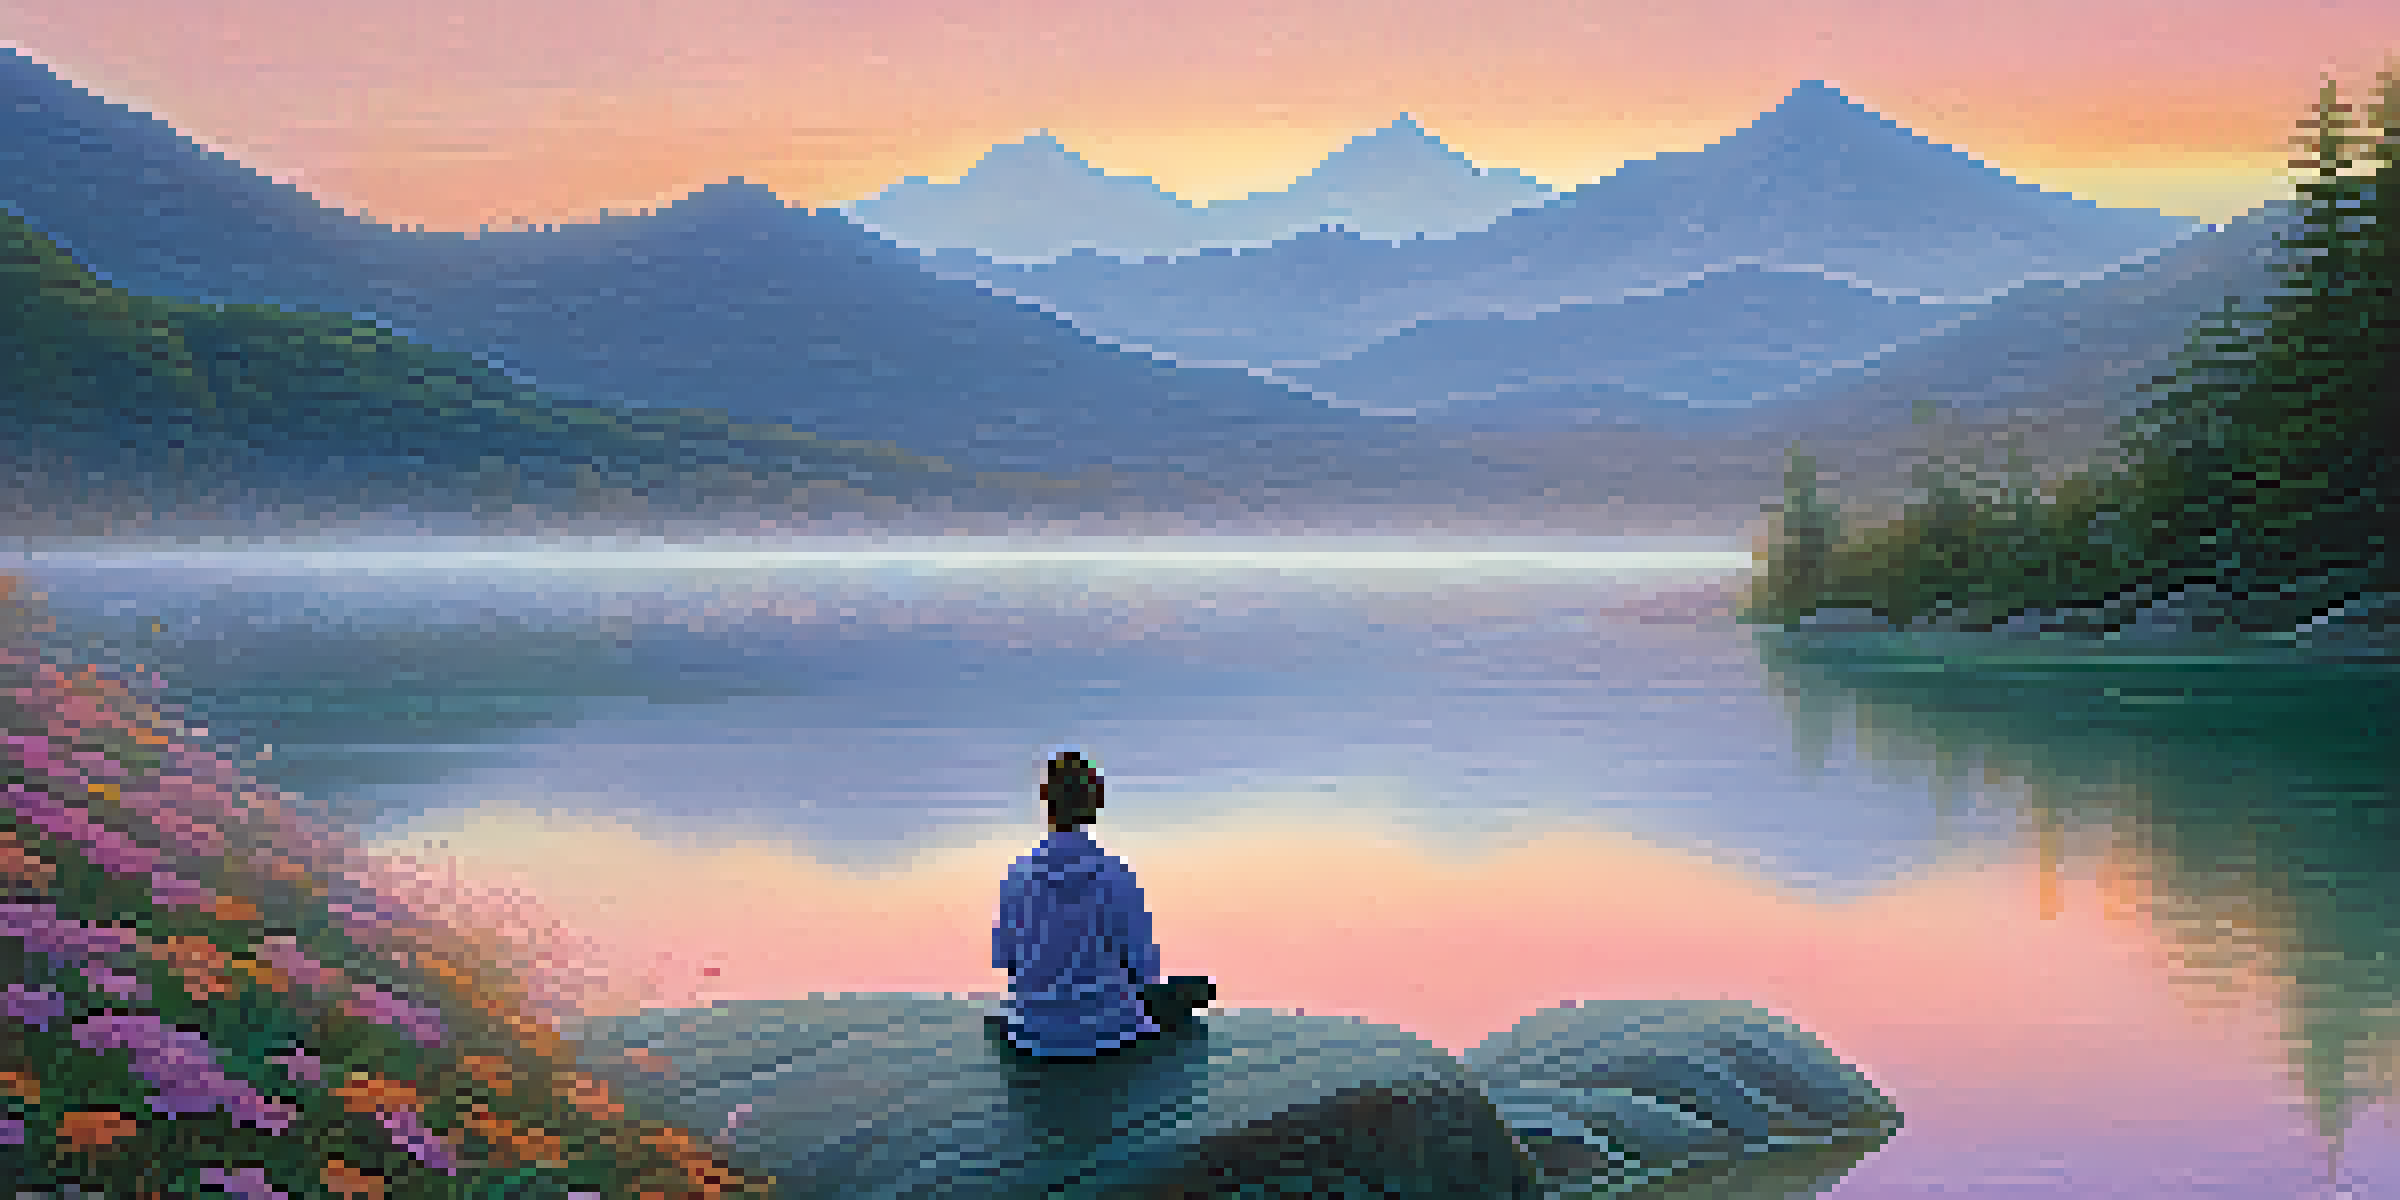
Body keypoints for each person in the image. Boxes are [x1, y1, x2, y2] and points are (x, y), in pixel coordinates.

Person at [991, 751, 1214, 1058]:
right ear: (1094, 803)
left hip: (1031, 1032)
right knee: (1197, 988)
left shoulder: (1015, 876)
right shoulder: (1117, 874)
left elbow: (1005, 960)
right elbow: (1144, 970)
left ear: (1045, 800)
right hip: (1110, 1031)